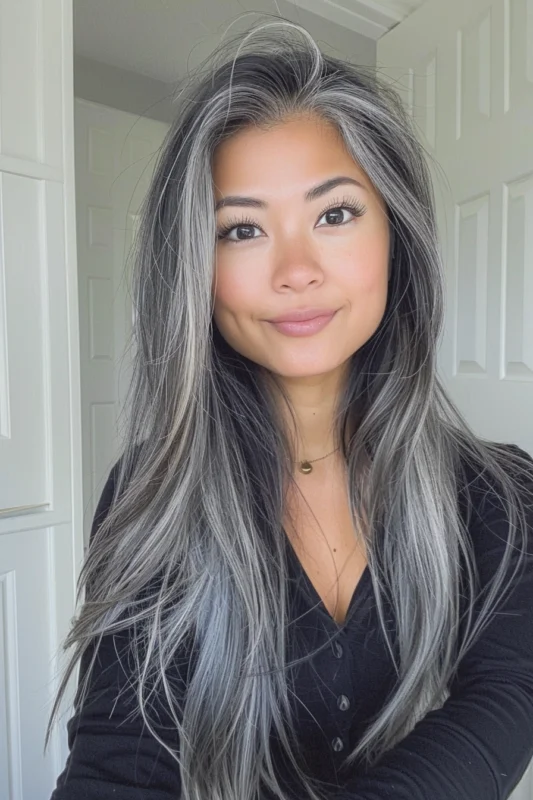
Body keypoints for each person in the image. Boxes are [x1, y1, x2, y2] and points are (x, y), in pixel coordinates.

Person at [47, 18, 533, 800]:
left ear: (395, 234)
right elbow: (119, 762)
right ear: (196, 272)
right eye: (241, 229)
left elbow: (506, 699)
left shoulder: (498, 495)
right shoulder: (156, 492)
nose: (295, 270)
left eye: (334, 213)